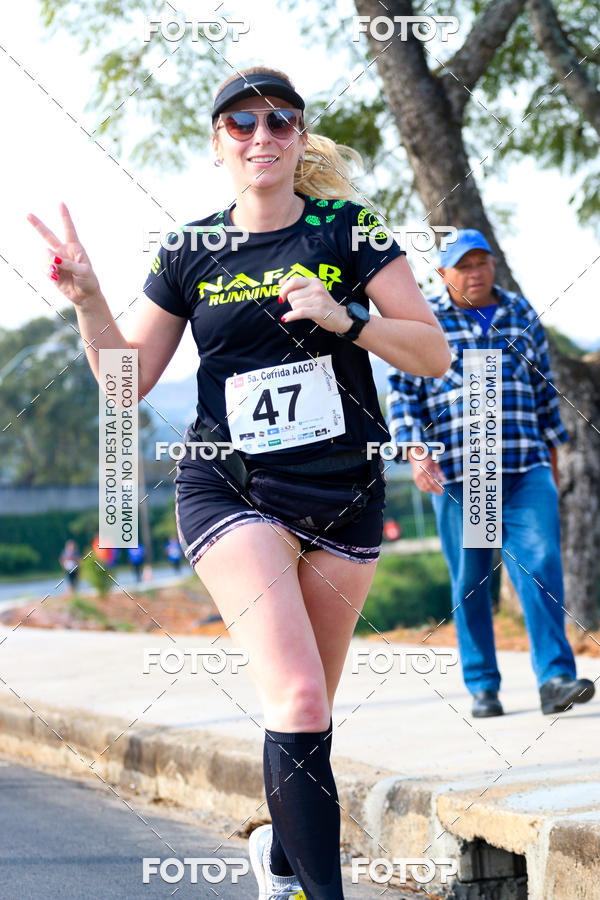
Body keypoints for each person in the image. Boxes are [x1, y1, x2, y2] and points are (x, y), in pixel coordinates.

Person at [28, 65, 450, 899]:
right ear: (217, 144)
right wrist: (86, 299)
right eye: (242, 125)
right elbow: (126, 383)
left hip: (344, 493)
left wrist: (346, 319)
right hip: (231, 490)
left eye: (280, 122)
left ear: (299, 139)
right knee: (294, 688)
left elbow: (434, 354)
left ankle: (283, 860)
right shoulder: (190, 249)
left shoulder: (350, 233)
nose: (262, 137)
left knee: (309, 708)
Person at [387, 229, 595, 719]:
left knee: (540, 562)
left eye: (483, 263)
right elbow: (401, 391)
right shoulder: (424, 320)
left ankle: (555, 679)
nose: (475, 273)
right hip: (463, 473)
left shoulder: (519, 312)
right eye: (464, 266)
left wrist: (555, 450)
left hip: (525, 465)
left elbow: (544, 384)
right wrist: (417, 451)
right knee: (472, 580)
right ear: (443, 275)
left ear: (494, 266)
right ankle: (482, 683)